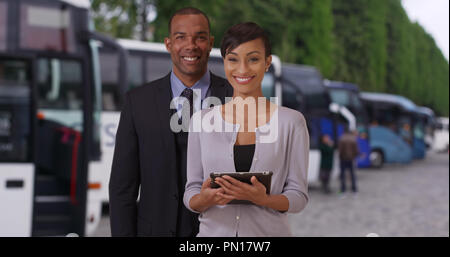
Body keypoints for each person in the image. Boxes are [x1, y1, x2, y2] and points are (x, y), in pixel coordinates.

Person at [109, 7, 233, 237]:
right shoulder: (138, 102)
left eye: (200, 37)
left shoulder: (236, 98)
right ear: (168, 44)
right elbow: (122, 189)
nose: (191, 45)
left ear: (210, 43)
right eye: (181, 37)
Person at [183, 22, 309, 237]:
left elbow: (298, 196)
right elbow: (192, 189)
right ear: (224, 62)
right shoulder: (200, 121)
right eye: (233, 59)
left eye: (253, 59)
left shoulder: (292, 122)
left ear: (267, 62)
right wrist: (202, 200)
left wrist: (264, 200)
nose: (242, 69)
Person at [338, 129, 360, 193]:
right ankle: (354, 188)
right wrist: (355, 156)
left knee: (343, 175)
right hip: (351, 159)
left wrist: (340, 157)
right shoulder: (353, 139)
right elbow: (356, 150)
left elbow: (340, 150)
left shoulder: (342, 139)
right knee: (352, 174)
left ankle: (343, 188)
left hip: (343, 159)